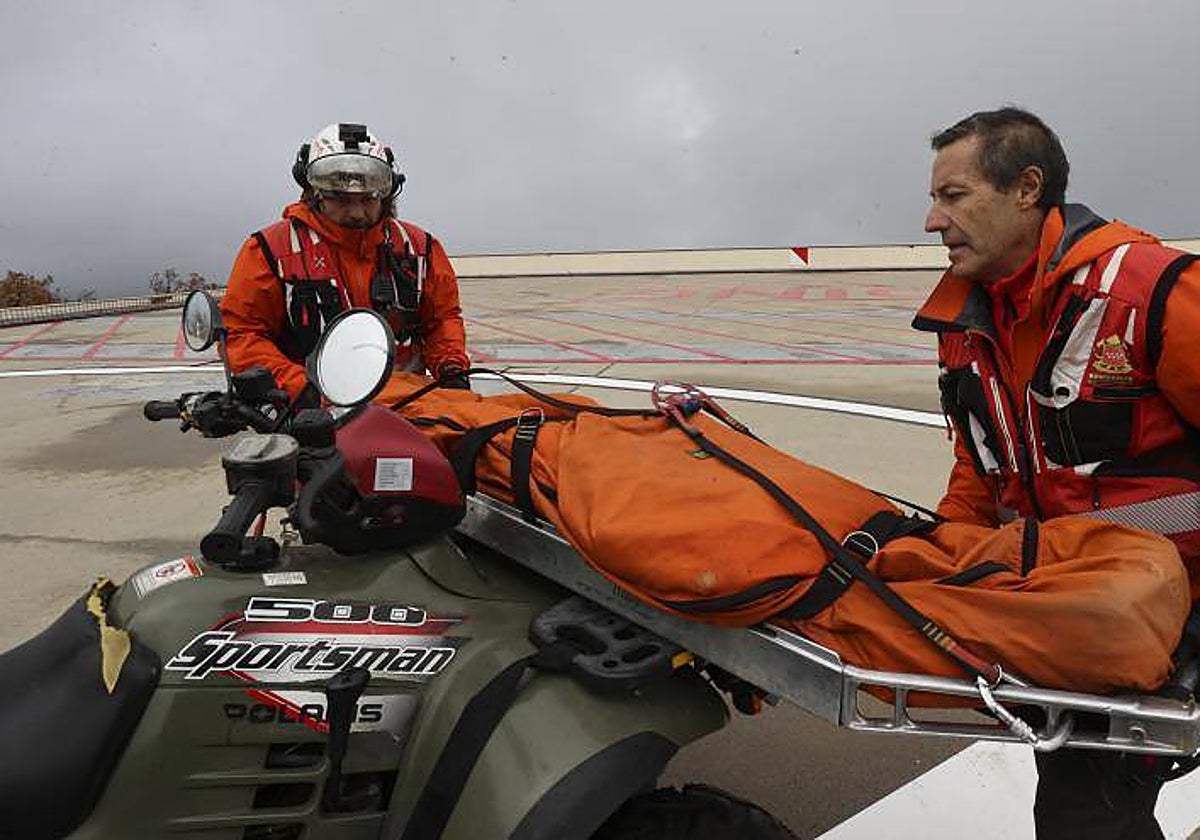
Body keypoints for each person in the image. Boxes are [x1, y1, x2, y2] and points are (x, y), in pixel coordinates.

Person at [914, 106, 1200, 839]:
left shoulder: (1149, 291)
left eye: (953, 196)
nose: (931, 220)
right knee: (1084, 814)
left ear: (1027, 189)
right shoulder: (967, 326)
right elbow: (978, 476)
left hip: (1181, 597)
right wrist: (937, 567)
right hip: (1084, 610)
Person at [220, 122, 470, 402]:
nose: (355, 212)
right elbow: (242, 334)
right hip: (310, 415)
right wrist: (301, 388)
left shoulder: (420, 248)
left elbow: (442, 321)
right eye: (340, 198)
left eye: (368, 198)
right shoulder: (270, 250)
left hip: (410, 408)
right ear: (314, 191)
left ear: (387, 192)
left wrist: (452, 371)